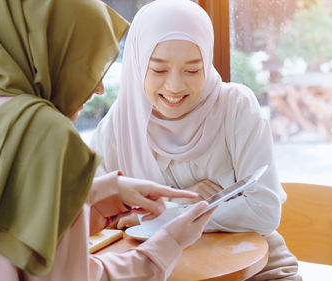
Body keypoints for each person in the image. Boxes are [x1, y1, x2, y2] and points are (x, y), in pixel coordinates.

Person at [0, 0, 216, 280]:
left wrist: (99, 192)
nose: (98, 90)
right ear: (51, 54)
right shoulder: (45, 133)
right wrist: (168, 244)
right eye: (86, 63)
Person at [90, 0, 302, 280]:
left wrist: (170, 213)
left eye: (192, 70)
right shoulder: (120, 124)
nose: (175, 86)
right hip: (159, 273)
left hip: (255, 271)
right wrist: (205, 206)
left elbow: (264, 210)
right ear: (138, 64)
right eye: (159, 70)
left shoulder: (235, 107)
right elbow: (95, 216)